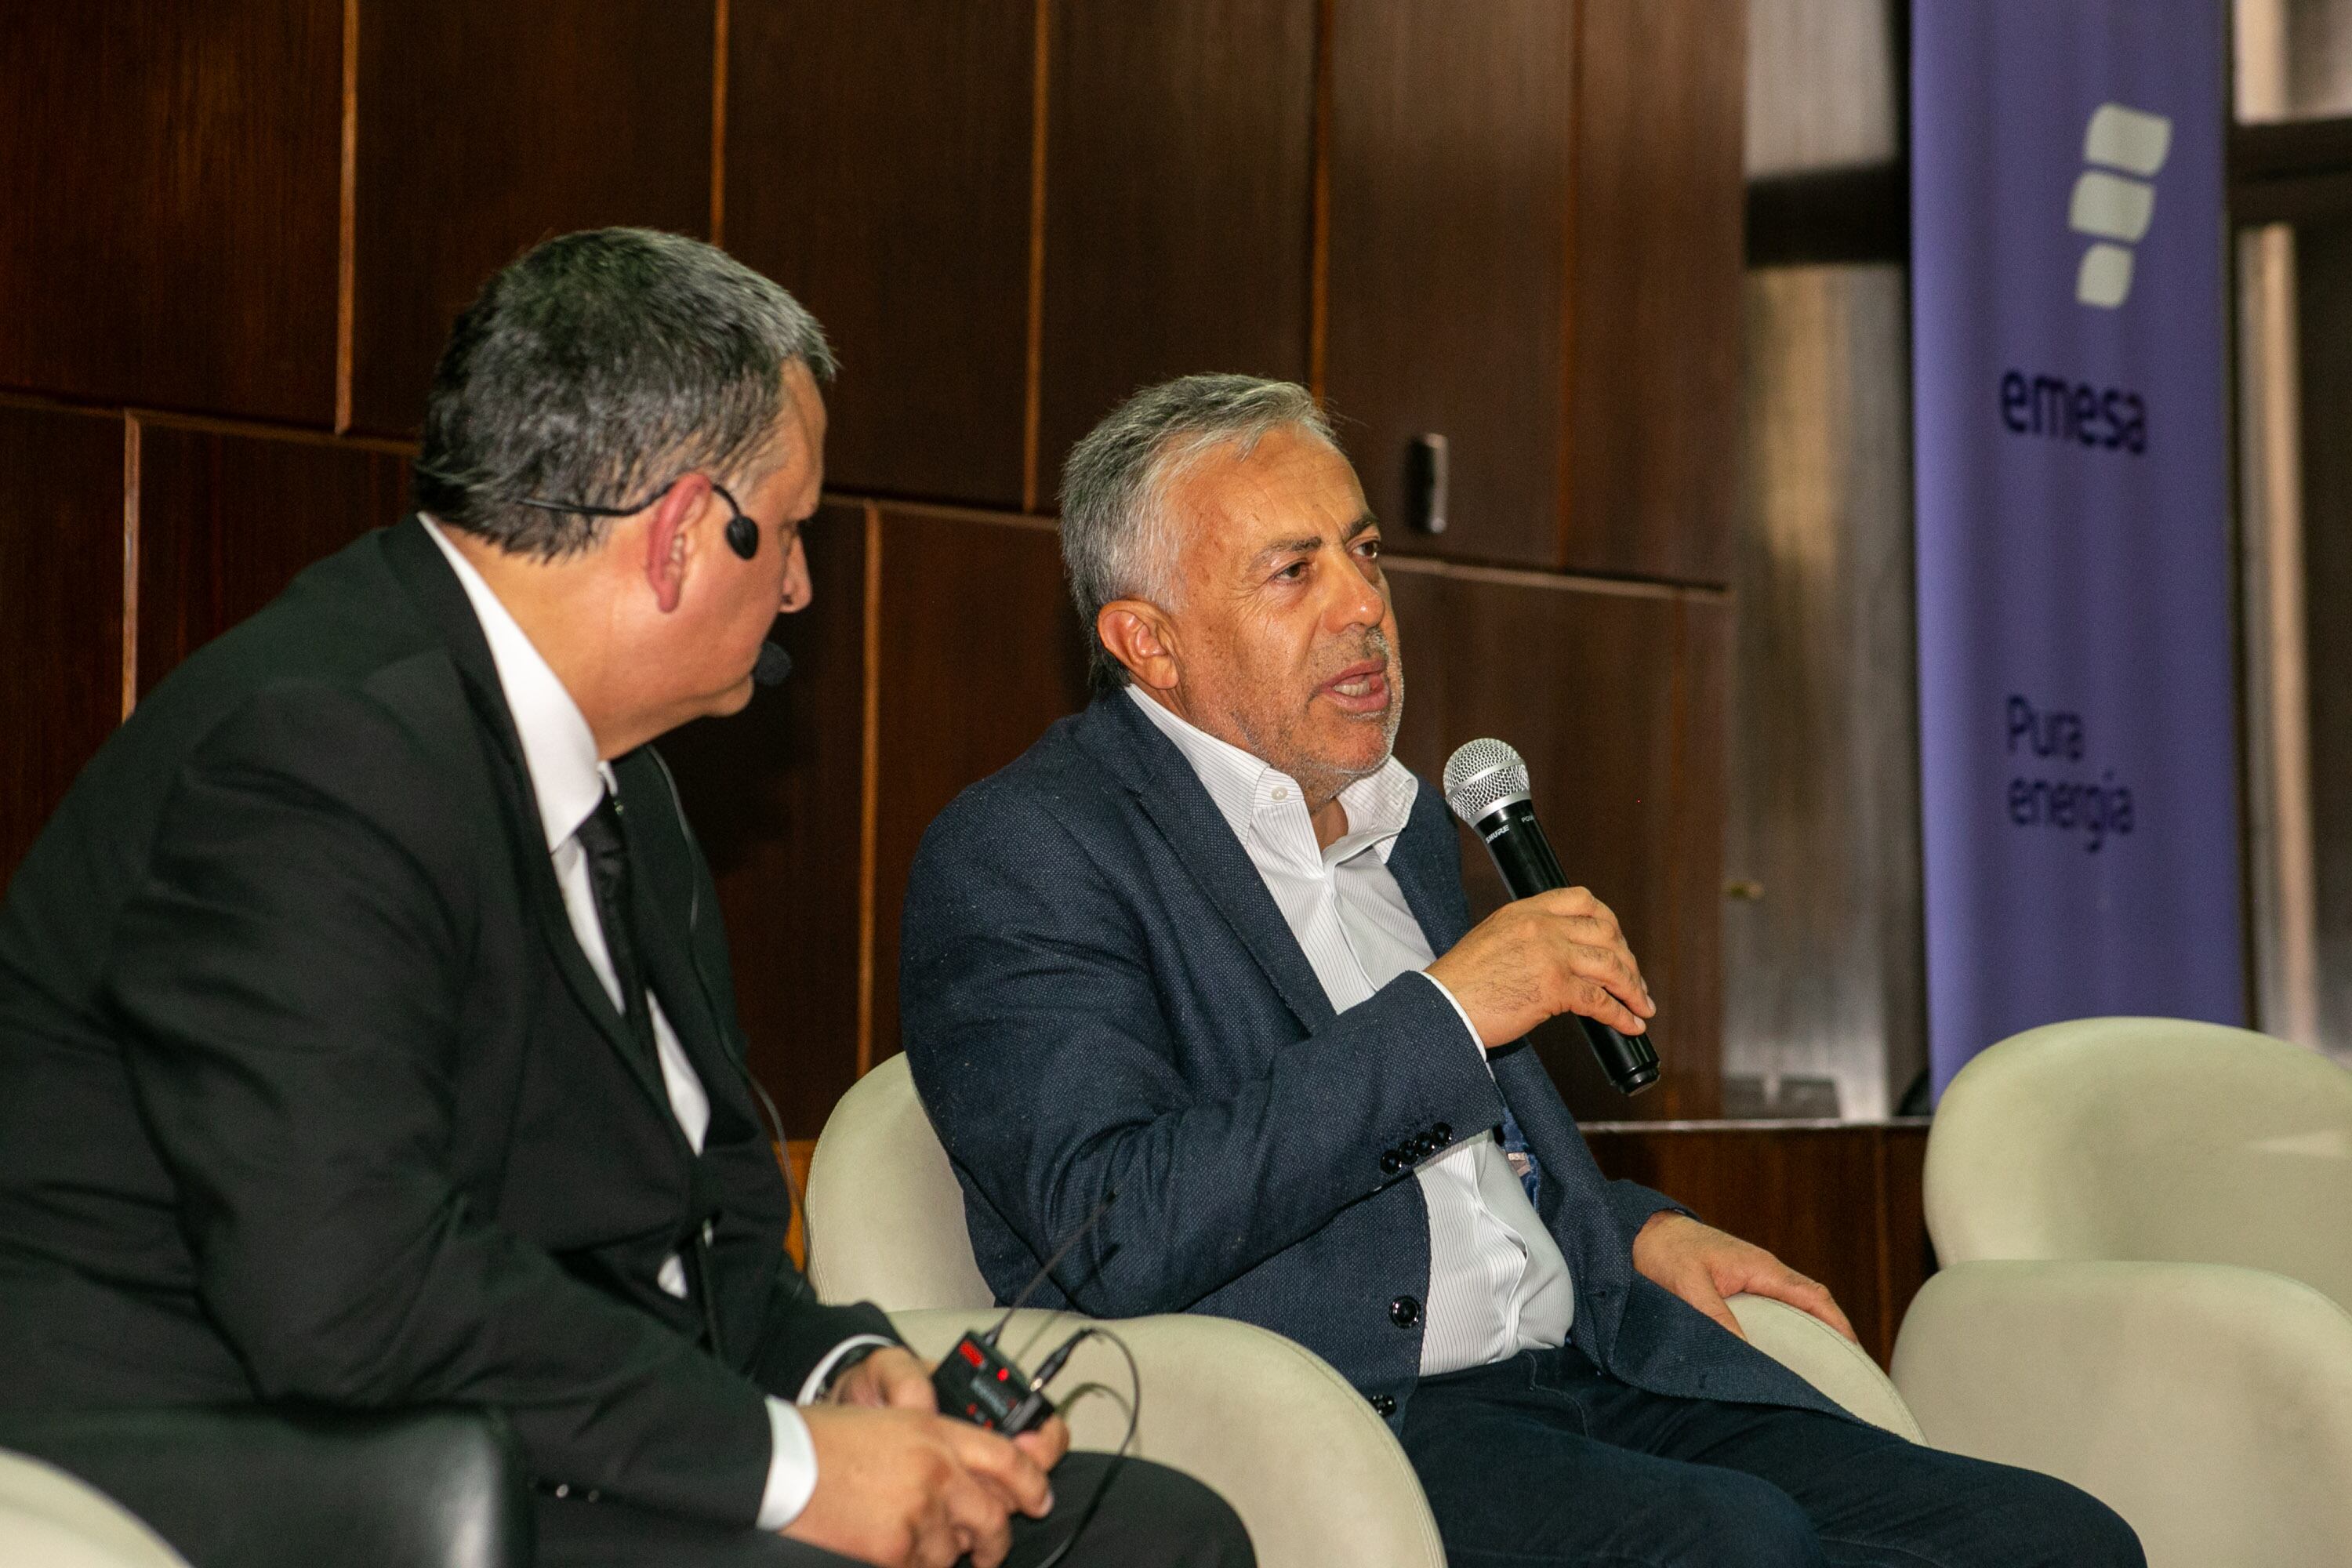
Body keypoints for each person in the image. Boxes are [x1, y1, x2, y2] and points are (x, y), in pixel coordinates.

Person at [0, 230, 1250, 1568]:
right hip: (267, 1469)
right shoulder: (316, 756)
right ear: (682, 535)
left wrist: (838, 1375)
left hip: (528, 1432)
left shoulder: (619, 780)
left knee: (1154, 1534)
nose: (802, 585)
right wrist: (793, 1466)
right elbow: (346, 1286)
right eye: (791, 531)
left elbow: (694, 1228)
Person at [898, 374, 2145, 1568]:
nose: (1364, 607)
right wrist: (1447, 1015)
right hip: (1356, 1419)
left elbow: (1476, 1181)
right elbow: (1110, 1228)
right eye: (1295, 571)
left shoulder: (1410, 835)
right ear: (1147, 643)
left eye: (1367, 551)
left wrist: (1630, 1226)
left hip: (1593, 1370)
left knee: (2060, 1541)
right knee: (1734, 1550)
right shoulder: (1030, 850)